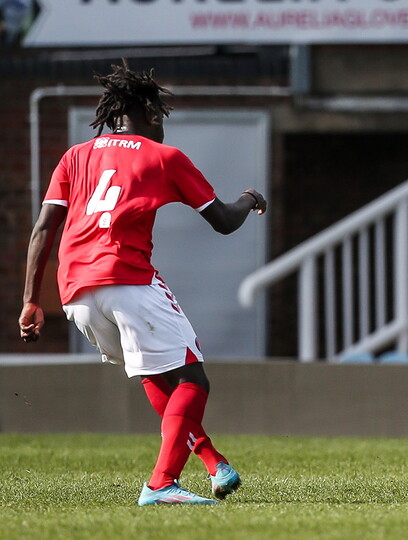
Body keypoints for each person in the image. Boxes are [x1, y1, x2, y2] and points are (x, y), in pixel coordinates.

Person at [18, 61, 267, 505]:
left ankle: (214, 464)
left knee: (156, 374)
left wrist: (31, 301)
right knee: (193, 380)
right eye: (162, 118)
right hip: (126, 280)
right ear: (151, 114)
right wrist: (249, 199)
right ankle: (161, 484)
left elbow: (42, 230)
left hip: (75, 292)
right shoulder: (164, 157)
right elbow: (225, 222)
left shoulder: (75, 155)